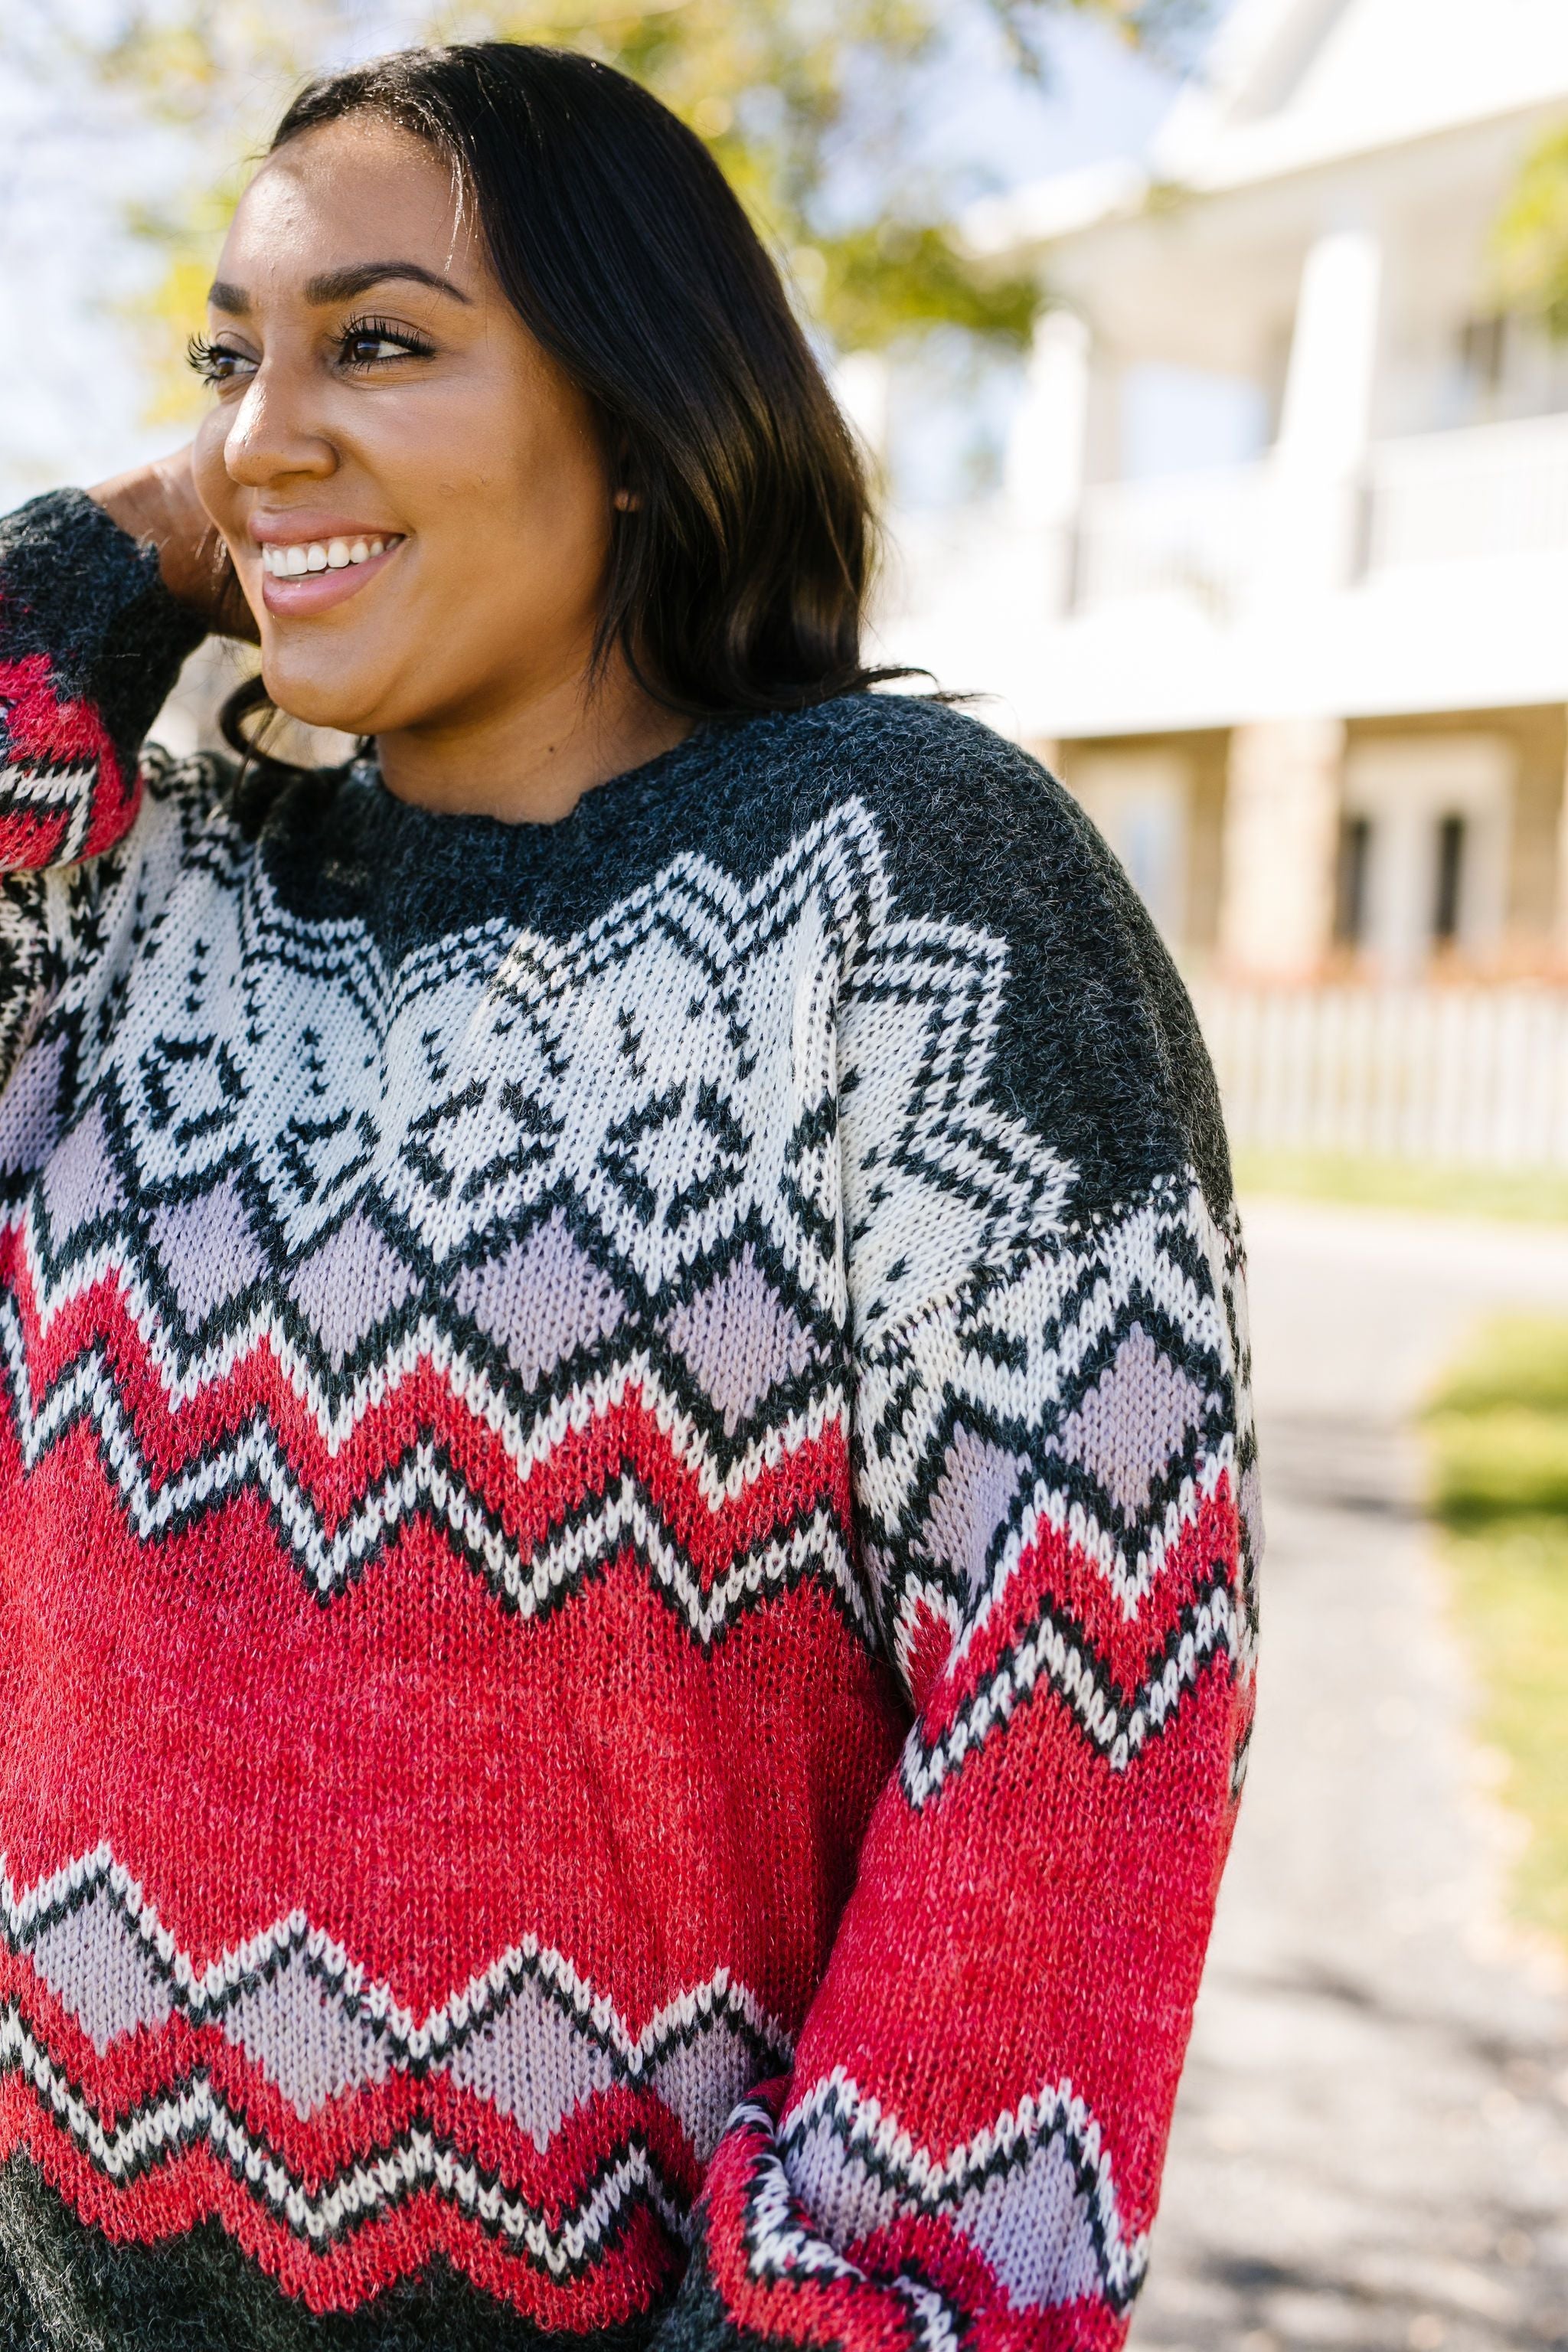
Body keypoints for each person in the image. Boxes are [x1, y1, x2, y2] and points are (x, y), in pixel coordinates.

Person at [0, 41, 1259, 2352]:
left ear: (645, 408)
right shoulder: (151, 880)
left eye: (382, 340)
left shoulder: (915, 888)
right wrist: (145, 532)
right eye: (228, 354)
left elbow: (1087, 1713)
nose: (264, 426)